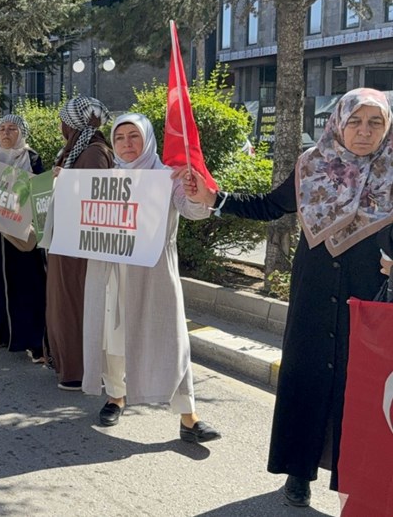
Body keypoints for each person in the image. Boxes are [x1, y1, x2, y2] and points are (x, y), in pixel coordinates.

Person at [184, 87, 393, 508]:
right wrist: (215, 199)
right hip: (313, 293)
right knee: (306, 377)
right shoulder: (312, 166)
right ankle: (298, 472)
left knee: (361, 388)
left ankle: (355, 478)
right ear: (338, 123)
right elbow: (270, 205)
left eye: (376, 123)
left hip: (370, 298)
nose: (365, 131)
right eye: (355, 121)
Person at [81, 113, 221, 444]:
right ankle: (115, 396)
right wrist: (64, 188)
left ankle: (188, 416)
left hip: (155, 271)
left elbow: (193, 210)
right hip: (112, 269)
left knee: (172, 339)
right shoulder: (107, 178)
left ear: (147, 139)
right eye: (119, 138)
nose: (127, 144)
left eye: (134, 136)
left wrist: (197, 191)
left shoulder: (166, 176)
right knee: (113, 335)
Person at [45, 96, 114, 390]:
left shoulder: (94, 152)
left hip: (80, 248)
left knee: (74, 306)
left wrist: (67, 181)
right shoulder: (78, 150)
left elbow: (96, 197)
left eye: (64, 121)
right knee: (63, 305)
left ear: (73, 124)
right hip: (66, 242)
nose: (61, 127)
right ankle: (66, 364)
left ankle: (79, 370)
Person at [0, 114, 46, 360]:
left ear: (22, 132)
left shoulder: (31, 158)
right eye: (2, 128)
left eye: (12, 128)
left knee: (26, 284)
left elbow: (40, 192)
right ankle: (0, 332)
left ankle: (31, 340)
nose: (5, 133)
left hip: (21, 233)